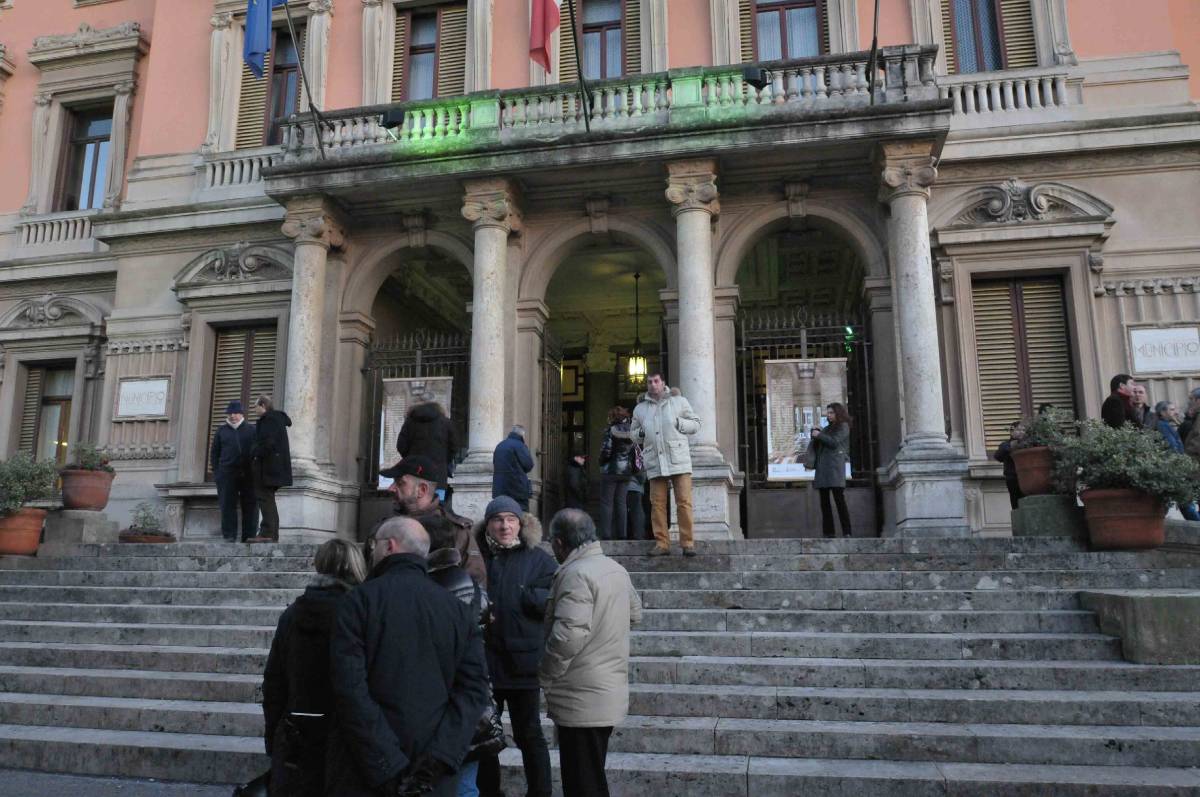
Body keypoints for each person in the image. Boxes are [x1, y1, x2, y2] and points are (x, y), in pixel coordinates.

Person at [328, 517, 490, 797]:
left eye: (373, 545)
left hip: (366, 769)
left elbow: (349, 688)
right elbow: (474, 691)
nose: (371, 552)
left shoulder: (357, 602)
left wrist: (389, 764)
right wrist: (436, 761)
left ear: (389, 546)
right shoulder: (457, 610)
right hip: (430, 774)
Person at [539, 509, 642, 797]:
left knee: (582, 781)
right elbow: (635, 614)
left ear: (559, 543)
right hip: (605, 688)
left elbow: (567, 636)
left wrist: (545, 674)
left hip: (580, 693)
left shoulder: (575, 574)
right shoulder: (614, 568)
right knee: (591, 774)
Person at [261, 539, 366, 797]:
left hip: (297, 730)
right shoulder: (359, 613)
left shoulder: (293, 613)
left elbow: (274, 680)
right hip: (344, 734)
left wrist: (275, 737)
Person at [474, 496, 557, 797]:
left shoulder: (538, 558)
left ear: (521, 524)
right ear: (488, 524)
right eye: (498, 519)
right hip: (485, 663)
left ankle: (540, 792)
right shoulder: (478, 556)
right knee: (485, 737)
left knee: (530, 735)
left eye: (511, 519)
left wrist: (527, 597)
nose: (504, 525)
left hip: (523, 663)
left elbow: (552, 597)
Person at [425, 515, 497, 797]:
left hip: (441, 696)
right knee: (466, 783)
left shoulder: (429, 587)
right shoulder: (473, 587)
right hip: (473, 698)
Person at [381, 455, 487, 587]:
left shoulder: (456, 531)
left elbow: (475, 584)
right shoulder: (386, 528)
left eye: (400, 483)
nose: (391, 488)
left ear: (422, 490)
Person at [631, 372, 701, 557]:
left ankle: (687, 543)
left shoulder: (679, 401)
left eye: (656, 381)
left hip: (678, 457)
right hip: (655, 460)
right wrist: (642, 433)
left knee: (684, 502)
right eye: (649, 382)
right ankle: (662, 544)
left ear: (663, 383)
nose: (653, 385)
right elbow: (633, 434)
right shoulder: (640, 409)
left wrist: (679, 423)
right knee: (657, 504)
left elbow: (696, 424)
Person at [211, 400, 258, 542]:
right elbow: (214, 454)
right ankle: (229, 536)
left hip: (248, 474)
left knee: (250, 505)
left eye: (236, 413)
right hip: (226, 474)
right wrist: (217, 474)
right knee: (227, 505)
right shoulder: (221, 431)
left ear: (241, 414)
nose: (233, 416)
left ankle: (249, 536)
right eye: (230, 413)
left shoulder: (252, 430)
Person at [397, 401, 459, 504]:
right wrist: (444, 460)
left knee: (413, 503)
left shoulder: (409, 423)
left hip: (415, 472)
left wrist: (410, 459)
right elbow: (454, 447)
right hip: (438, 472)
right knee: (437, 503)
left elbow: (401, 446)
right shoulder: (446, 423)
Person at [250, 394, 292, 542]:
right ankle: (272, 534)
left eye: (255, 407)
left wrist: (255, 454)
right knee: (269, 500)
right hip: (274, 469)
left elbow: (268, 442)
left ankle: (267, 533)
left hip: (267, 469)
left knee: (264, 499)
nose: (254, 410)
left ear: (263, 406)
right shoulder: (277, 419)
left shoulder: (269, 419)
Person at [1153, 401, 1200, 521]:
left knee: (1183, 501)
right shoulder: (1163, 426)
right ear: (1162, 413)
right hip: (1176, 468)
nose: (1176, 412)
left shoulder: (1165, 425)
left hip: (1176, 467)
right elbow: (1173, 447)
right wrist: (1182, 464)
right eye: (1172, 410)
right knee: (1184, 501)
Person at [811, 403, 852, 538]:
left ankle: (847, 532)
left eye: (831, 413)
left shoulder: (843, 426)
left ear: (838, 413)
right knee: (824, 503)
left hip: (834, 468)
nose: (828, 415)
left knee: (839, 500)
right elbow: (821, 444)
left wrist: (819, 434)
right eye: (827, 413)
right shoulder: (827, 428)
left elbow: (834, 442)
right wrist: (816, 433)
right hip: (823, 468)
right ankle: (828, 532)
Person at [598, 406, 636, 541]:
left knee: (606, 503)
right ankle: (622, 534)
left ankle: (606, 535)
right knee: (621, 503)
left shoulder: (611, 430)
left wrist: (601, 461)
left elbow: (606, 451)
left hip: (610, 471)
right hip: (626, 471)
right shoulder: (631, 432)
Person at [492, 425, 534, 511]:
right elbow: (528, 465)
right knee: (521, 514)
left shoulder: (499, 445)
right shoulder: (520, 445)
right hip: (517, 489)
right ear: (522, 435)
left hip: (499, 489)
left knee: (502, 511)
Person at [993, 422, 1025, 510]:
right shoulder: (1005, 444)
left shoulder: (1028, 444)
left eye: (1023, 430)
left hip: (1027, 477)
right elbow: (997, 456)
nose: (1021, 432)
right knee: (1016, 505)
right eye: (1018, 430)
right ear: (1011, 432)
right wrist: (1012, 447)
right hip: (1012, 478)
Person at [626, 470, 647, 541]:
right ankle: (639, 535)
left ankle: (623, 535)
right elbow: (641, 475)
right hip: (634, 485)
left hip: (620, 486)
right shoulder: (637, 458)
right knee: (637, 512)